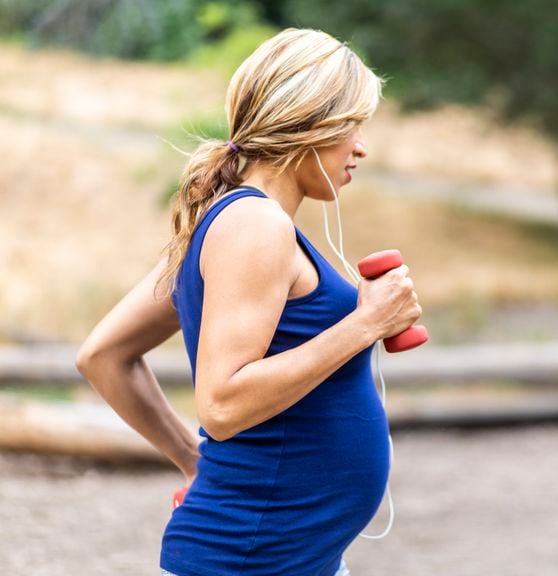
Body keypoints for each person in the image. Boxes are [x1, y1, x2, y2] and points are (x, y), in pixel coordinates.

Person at [75, 28, 422, 576]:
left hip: (288, 557)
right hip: (250, 560)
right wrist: (364, 324)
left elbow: (103, 352)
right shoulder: (254, 225)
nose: (361, 147)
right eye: (352, 127)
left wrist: (192, 462)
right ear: (310, 122)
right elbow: (223, 405)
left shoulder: (239, 221)